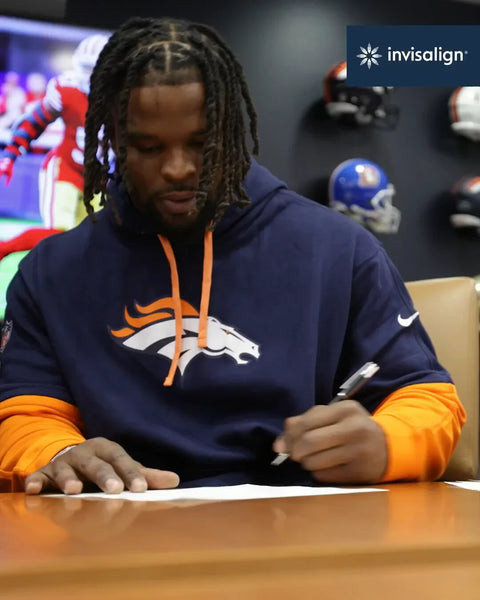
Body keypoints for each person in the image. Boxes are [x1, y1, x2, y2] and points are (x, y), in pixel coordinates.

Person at [0, 17, 465, 495]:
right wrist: (55, 454)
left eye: (202, 144)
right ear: (114, 138)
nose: (177, 168)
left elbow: (426, 396)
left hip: (299, 524)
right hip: (113, 519)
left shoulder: (340, 250)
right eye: (149, 147)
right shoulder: (50, 272)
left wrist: (387, 442)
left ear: (233, 132)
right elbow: (24, 414)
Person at [0, 34, 109, 260]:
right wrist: (10, 155)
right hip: (64, 169)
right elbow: (34, 122)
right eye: (86, 68)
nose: (89, 76)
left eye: (95, 70)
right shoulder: (66, 88)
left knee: (94, 242)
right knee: (59, 234)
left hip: (98, 177)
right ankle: (4, 248)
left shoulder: (124, 97)